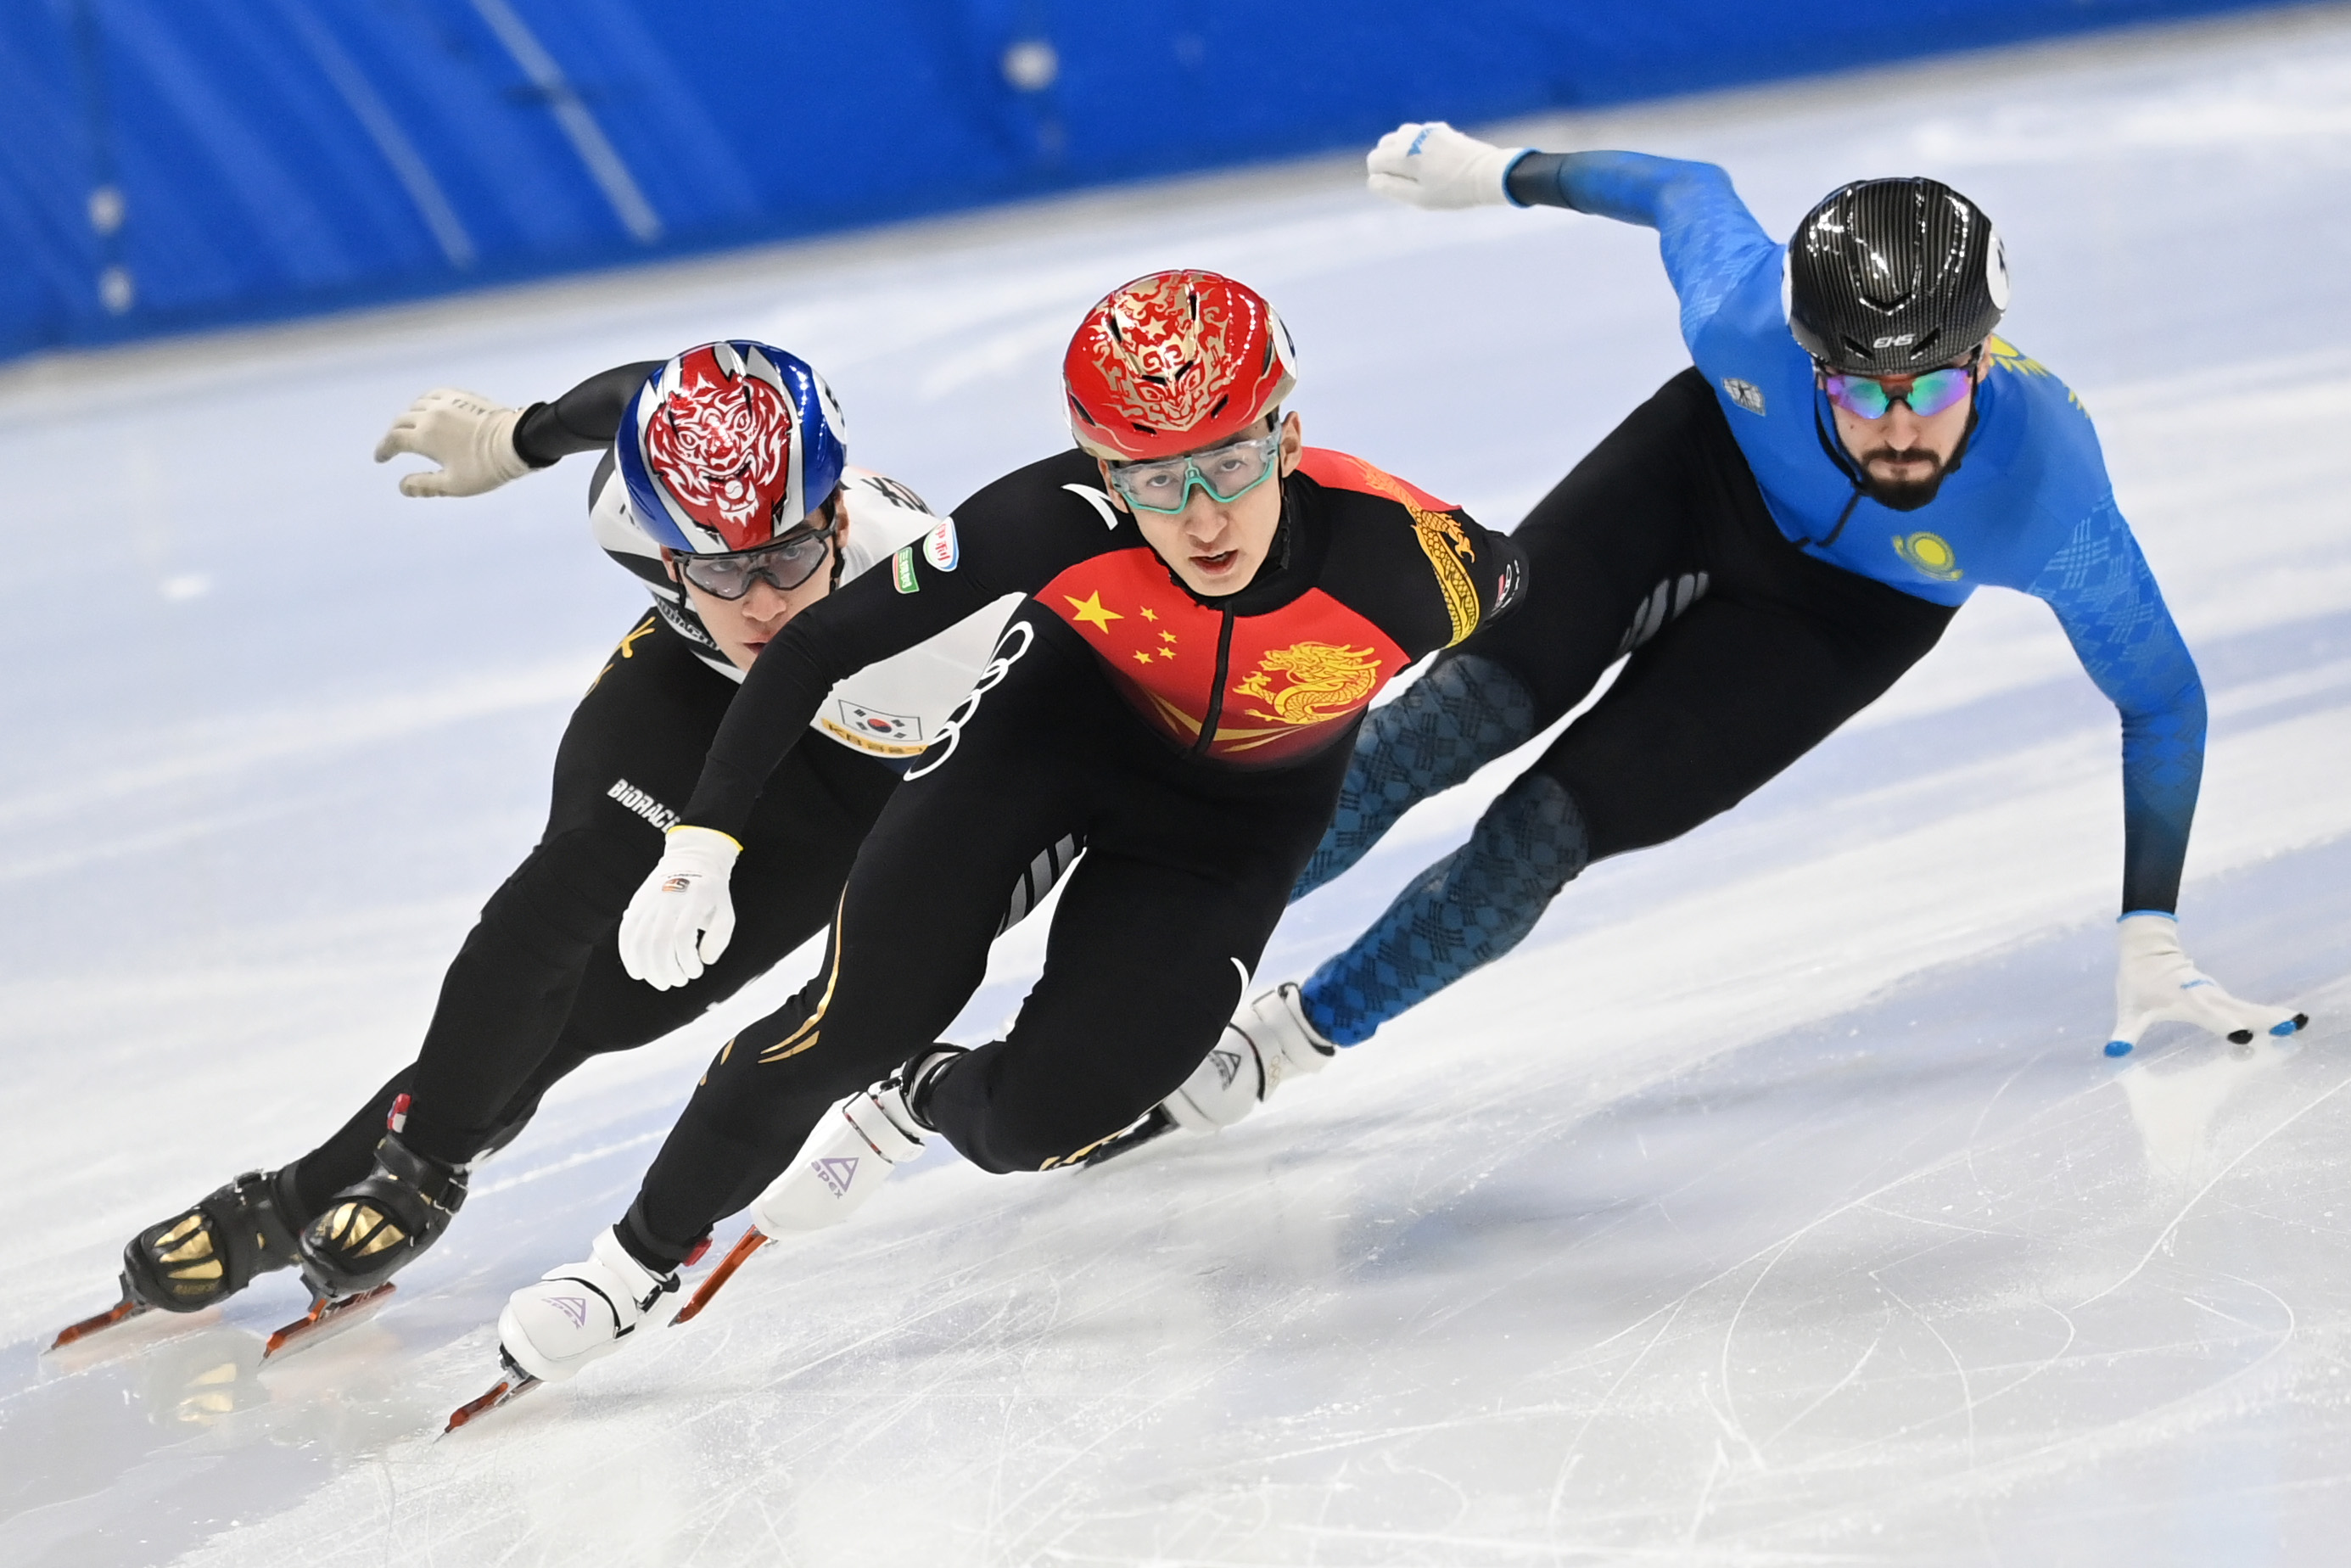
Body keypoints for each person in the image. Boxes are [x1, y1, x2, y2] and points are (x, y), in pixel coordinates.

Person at [1128, 124, 2307, 1148]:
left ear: (1982, 360)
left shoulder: (2045, 495)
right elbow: (1681, 188)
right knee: (1443, 721)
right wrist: (1501, 175)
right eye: (1854, 389)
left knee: (1537, 836)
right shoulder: (1746, 320)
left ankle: (1270, 1051)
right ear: (1807, 358)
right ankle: (1148, 951)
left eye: (1930, 392)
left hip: (1846, 611)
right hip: (1695, 473)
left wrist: (2148, 917)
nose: (1894, 429)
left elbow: (2162, 699)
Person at [480, 270, 1527, 1388]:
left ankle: (920, 1093)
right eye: (1153, 479)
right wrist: (704, 839)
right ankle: (629, 1268)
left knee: (1044, 1125)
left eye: (1227, 460)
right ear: (1100, 468)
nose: (1202, 516)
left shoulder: (1416, 562)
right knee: (846, 1019)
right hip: (1051, 737)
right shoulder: (1049, 516)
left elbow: (1547, 617)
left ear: (1286, 434)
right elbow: (815, 642)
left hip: (1230, 825)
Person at [73, 341, 1029, 1346]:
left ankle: (296, 1196)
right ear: (664, 551)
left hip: (847, 778)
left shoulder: (951, 623)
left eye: (788, 556)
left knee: (597, 1014)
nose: (760, 600)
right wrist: (512, 440)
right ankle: (413, 1173)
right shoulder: (632, 496)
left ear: (835, 518)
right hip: (697, 697)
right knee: (566, 892)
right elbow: (640, 393)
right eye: (717, 567)